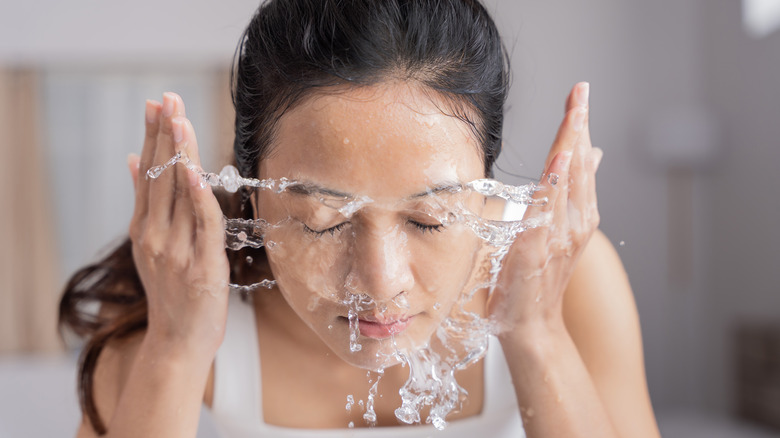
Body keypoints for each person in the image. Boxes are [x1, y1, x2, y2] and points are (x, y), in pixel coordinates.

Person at [59, 0, 661, 437]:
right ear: (253, 193)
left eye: (430, 219)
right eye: (323, 220)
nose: (380, 282)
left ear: (484, 185)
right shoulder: (178, 299)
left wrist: (537, 334)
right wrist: (175, 345)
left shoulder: (570, 274)